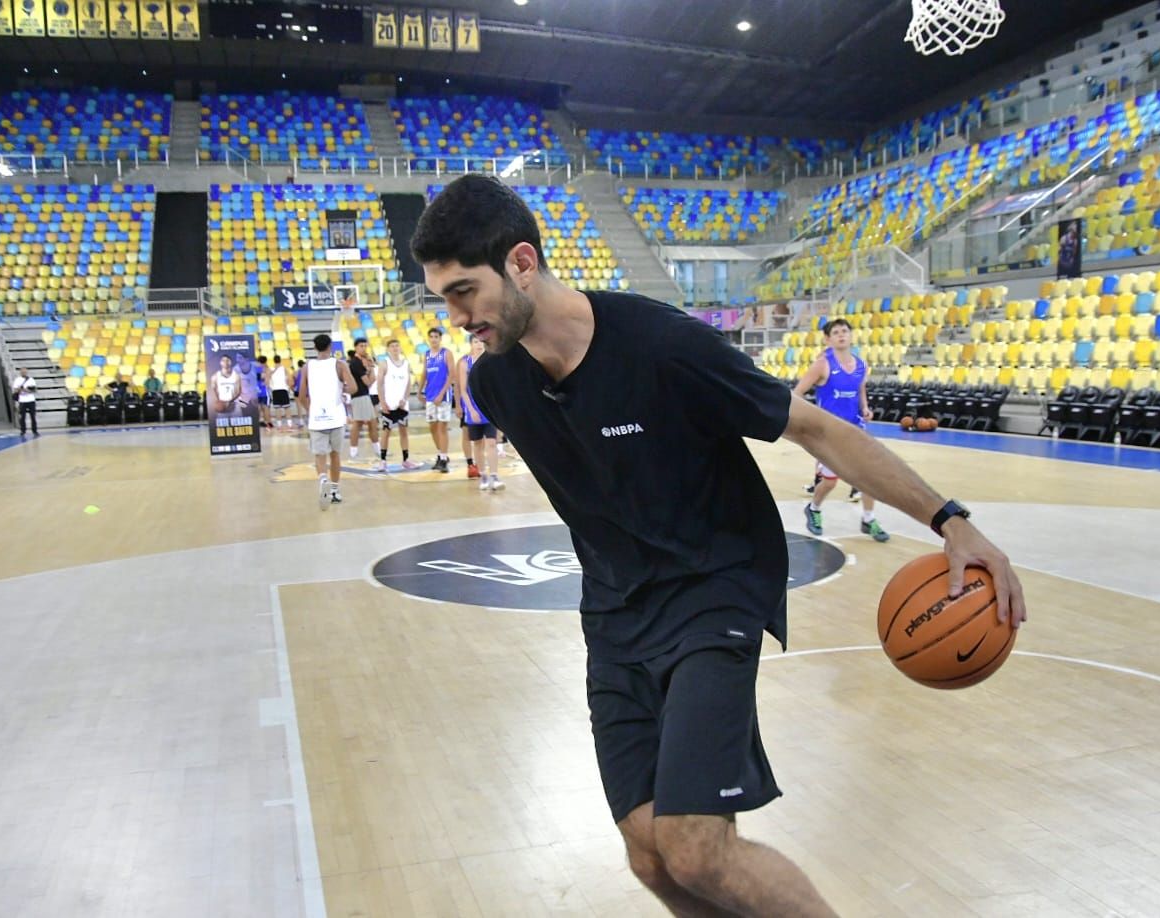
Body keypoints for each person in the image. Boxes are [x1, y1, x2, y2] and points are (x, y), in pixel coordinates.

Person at [412, 175, 1027, 918]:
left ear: (520, 263)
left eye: (462, 292)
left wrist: (949, 519)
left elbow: (819, 431)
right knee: (650, 853)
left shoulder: (662, 345)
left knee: (698, 845)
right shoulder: (498, 383)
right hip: (613, 613)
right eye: (442, 298)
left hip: (714, 588)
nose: (454, 317)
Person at [793, 318, 889, 543]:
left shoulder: (861, 364)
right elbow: (797, 393)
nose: (841, 335)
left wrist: (865, 407)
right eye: (836, 332)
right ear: (828, 339)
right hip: (829, 434)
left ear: (851, 335)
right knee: (830, 482)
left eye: (844, 331)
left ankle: (868, 518)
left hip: (856, 429)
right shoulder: (822, 364)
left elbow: (860, 389)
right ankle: (814, 508)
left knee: (869, 477)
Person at [299, 333, 355, 509]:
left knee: (319, 455)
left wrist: (311, 410)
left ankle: (323, 478)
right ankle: (335, 491)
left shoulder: (307, 367)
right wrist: (342, 388)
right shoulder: (339, 364)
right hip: (336, 417)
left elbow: (301, 395)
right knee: (335, 454)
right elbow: (353, 387)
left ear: (314, 347)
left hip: (317, 418)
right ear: (330, 346)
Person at [456, 336, 502, 489]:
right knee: (477, 444)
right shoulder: (465, 363)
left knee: (491, 442)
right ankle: (483, 475)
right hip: (473, 410)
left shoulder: (490, 361)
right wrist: (470, 409)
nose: (479, 344)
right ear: (470, 344)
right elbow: (463, 390)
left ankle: (494, 476)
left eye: (481, 341)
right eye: (475, 342)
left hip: (488, 410)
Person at [374, 338, 421, 472]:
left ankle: (406, 460)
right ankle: (382, 460)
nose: (395, 348)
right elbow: (379, 384)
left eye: (397, 346)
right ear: (388, 349)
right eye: (392, 346)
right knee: (386, 432)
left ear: (400, 348)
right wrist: (382, 401)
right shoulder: (384, 364)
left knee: (404, 432)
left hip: (402, 404)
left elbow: (408, 384)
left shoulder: (406, 364)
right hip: (389, 403)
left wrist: (405, 399)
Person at [421, 327, 456, 472]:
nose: (434, 339)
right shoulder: (427, 354)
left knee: (442, 427)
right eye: (431, 337)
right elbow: (424, 372)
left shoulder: (446, 353)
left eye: (436, 336)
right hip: (430, 395)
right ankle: (441, 454)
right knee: (432, 427)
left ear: (440, 339)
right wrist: (420, 390)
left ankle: (443, 458)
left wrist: (442, 393)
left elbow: (451, 374)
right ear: (428, 339)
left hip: (444, 396)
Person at [346, 337, 377, 459]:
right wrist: (372, 368)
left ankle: (376, 449)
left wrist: (370, 367)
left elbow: (370, 380)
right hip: (359, 395)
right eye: (361, 346)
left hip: (364, 395)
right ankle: (354, 451)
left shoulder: (361, 362)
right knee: (359, 423)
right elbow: (369, 382)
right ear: (356, 347)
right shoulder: (355, 363)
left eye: (365, 346)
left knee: (371, 423)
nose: (364, 348)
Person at [269, 356, 294, 429]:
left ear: (274, 360)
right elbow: (289, 378)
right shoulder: (284, 369)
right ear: (280, 360)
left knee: (277, 409)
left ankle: (279, 425)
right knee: (287, 408)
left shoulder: (271, 369)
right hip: (283, 389)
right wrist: (289, 388)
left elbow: (268, 377)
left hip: (275, 390)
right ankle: (290, 424)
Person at [11, 367, 38, 436]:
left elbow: (34, 390)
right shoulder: (17, 380)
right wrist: (20, 389)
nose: (24, 373)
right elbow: (15, 390)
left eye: (25, 372)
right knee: (22, 417)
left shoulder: (31, 380)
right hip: (22, 401)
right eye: (22, 372)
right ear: (20, 372)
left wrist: (27, 390)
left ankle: (34, 430)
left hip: (31, 400)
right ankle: (23, 431)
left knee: (33, 416)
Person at [255, 355, 273, 428]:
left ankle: (259, 421)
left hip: (256, 391)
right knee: (266, 407)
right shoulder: (266, 369)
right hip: (264, 391)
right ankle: (268, 422)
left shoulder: (254, 369)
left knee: (259, 407)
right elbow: (266, 381)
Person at [293, 359, 307, 428]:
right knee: (307, 407)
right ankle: (310, 421)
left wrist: (293, 389)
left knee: (299, 407)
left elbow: (292, 383)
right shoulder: (306, 372)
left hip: (297, 391)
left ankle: (301, 422)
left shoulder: (295, 372)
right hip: (305, 390)